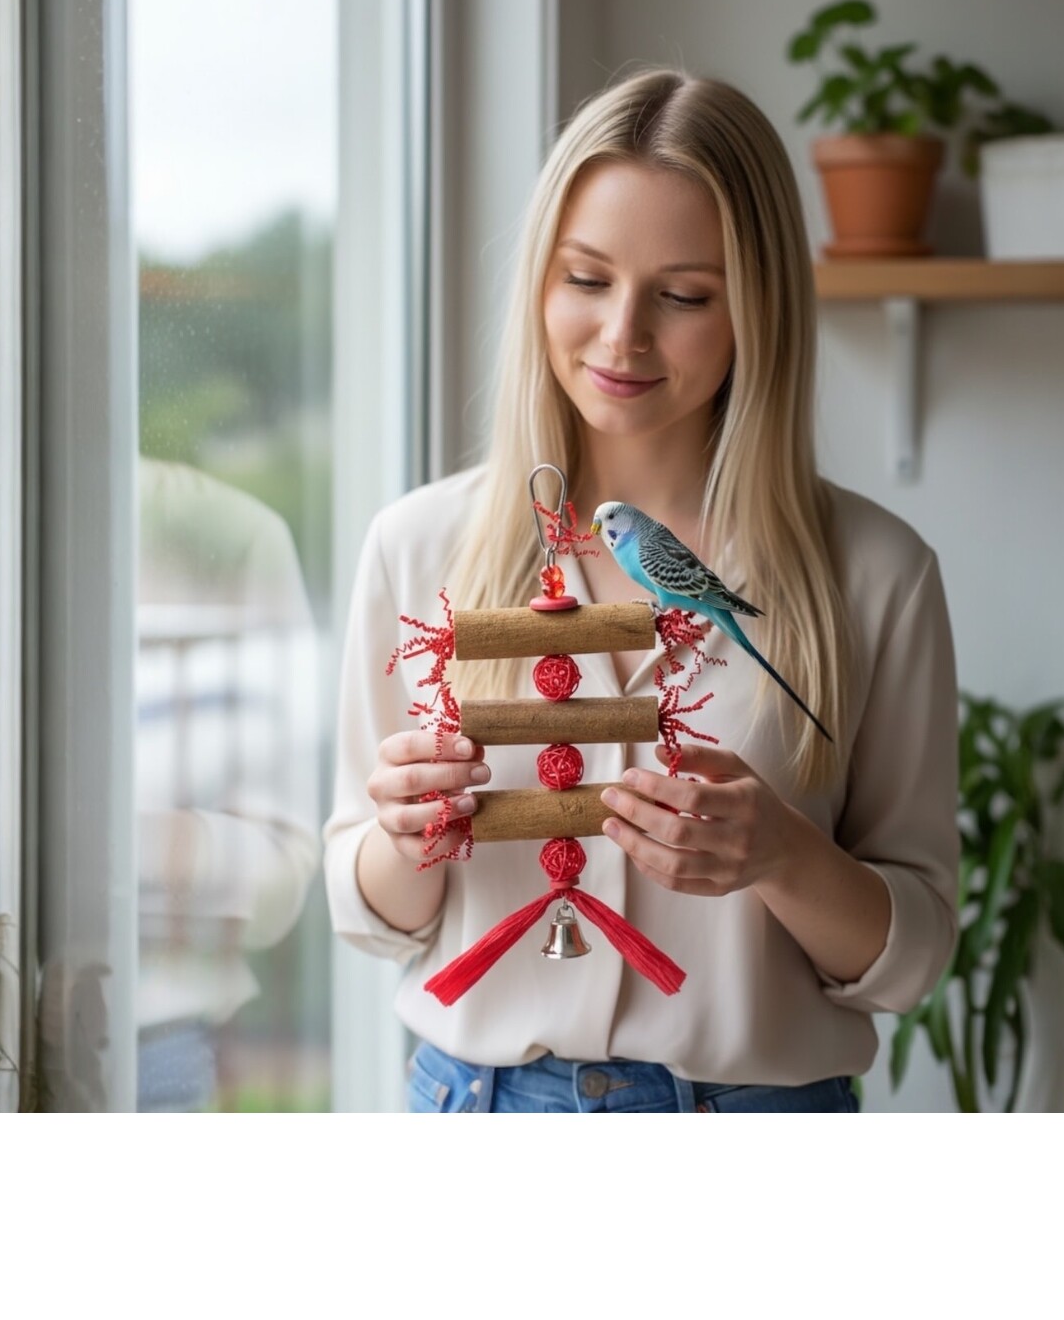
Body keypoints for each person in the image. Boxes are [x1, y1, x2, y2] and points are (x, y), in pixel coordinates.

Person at [322, 67, 959, 1113]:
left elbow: (910, 955)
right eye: (584, 278)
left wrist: (783, 853)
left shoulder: (875, 574)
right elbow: (371, 913)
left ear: (756, 308)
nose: (621, 334)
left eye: (682, 295)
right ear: (538, 281)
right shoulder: (416, 545)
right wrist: (401, 836)